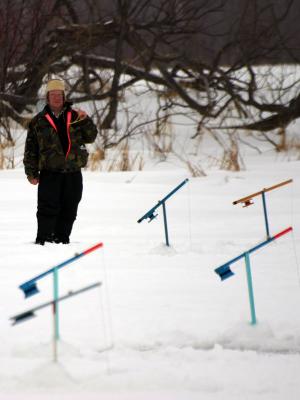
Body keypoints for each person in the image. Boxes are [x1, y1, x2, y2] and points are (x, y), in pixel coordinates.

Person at [23, 78, 98, 245]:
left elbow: (91, 137)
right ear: (47, 97)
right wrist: (31, 173)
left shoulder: (76, 117)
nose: (57, 98)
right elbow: (30, 150)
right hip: (50, 173)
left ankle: (62, 240)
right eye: (53, 94)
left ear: (64, 97)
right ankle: (44, 240)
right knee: (47, 209)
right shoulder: (38, 121)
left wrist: (86, 120)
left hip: (73, 173)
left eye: (59, 94)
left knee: (70, 208)